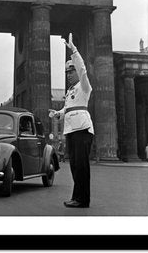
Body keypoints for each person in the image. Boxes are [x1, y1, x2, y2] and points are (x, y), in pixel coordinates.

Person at [49, 33, 94, 208]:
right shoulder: (70, 92)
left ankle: (83, 199)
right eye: (67, 72)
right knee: (75, 166)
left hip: (82, 129)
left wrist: (74, 51)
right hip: (71, 130)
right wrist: (58, 113)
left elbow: (82, 69)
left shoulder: (84, 85)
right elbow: (68, 109)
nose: (68, 75)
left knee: (82, 167)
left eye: (71, 71)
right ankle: (77, 197)